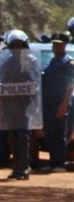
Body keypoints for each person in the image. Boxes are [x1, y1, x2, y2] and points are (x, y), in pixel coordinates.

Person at [0, 30, 39, 180]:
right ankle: (16, 167)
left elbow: (36, 82)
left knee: (23, 137)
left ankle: (25, 167)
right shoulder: (6, 63)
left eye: (20, 45)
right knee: (12, 137)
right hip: (10, 105)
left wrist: (31, 89)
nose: (17, 49)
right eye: (15, 45)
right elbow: (1, 81)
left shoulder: (31, 61)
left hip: (24, 105)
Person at [40, 32, 74, 173]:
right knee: (50, 134)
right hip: (48, 103)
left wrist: (64, 104)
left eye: (58, 45)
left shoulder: (69, 63)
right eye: (54, 44)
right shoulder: (52, 62)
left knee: (59, 134)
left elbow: (70, 85)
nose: (55, 47)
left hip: (61, 103)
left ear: (64, 45)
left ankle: (59, 164)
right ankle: (53, 163)